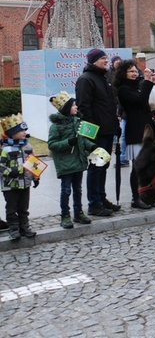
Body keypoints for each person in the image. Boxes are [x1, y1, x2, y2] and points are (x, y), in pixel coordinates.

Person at [75, 48, 120, 217]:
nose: (106, 60)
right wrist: (92, 134)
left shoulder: (103, 78)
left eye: (106, 57)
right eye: (103, 58)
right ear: (93, 61)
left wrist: (115, 125)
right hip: (96, 134)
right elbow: (84, 108)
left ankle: (101, 198)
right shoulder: (86, 80)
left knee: (104, 166)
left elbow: (109, 104)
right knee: (96, 167)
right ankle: (94, 203)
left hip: (107, 131)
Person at [48, 91, 97, 229]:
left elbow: (82, 139)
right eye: (74, 105)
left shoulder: (78, 121)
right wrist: (69, 142)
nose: (76, 107)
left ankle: (78, 212)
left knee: (78, 189)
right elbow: (52, 145)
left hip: (78, 161)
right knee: (66, 190)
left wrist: (92, 146)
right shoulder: (56, 126)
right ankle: (65, 215)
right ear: (66, 108)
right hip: (66, 164)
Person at [115, 59, 155, 210]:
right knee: (137, 167)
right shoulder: (123, 89)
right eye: (131, 71)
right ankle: (136, 198)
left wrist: (152, 82)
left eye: (136, 71)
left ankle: (147, 196)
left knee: (148, 166)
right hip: (135, 131)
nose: (135, 74)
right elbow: (140, 100)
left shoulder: (138, 84)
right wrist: (147, 82)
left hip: (147, 128)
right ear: (124, 73)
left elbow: (149, 99)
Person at [1, 114, 38, 240]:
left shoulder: (27, 146)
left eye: (25, 130)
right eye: (21, 130)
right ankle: (13, 228)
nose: (24, 132)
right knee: (11, 207)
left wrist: (35, 177)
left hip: (25, 183)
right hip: (9, 184)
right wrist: (9, 172)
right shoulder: (5, 149)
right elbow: (1, 166)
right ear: (12, 133)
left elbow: (33, 163)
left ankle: (24, 226)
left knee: (23, 207)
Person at [108, 56, 129, 167]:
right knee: (124, 135)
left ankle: (127, 158)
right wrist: (119, 113)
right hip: (121, 110)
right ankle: (123, 158)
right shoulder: (109, 74)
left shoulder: (126, 79)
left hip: (129, 113)